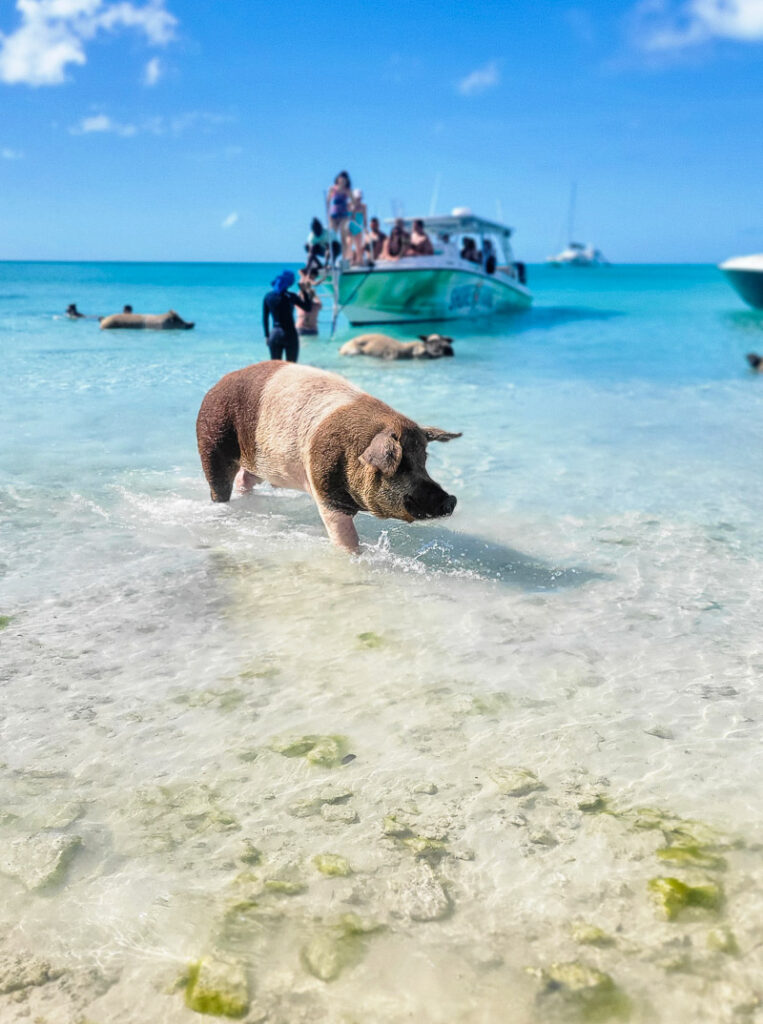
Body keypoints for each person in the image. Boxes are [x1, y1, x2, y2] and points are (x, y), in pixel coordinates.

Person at [262, 270, 312, 362]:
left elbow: (265, 318)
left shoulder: (268, 296)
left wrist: (266, 336)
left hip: (275, 335)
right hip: (290, 334)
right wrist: (304, 291)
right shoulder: (291, 296)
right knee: (291, 367)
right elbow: (308, 308)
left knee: (275, 369)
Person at [326, 171, 352, 261]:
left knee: (343, 237)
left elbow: (353, 202)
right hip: (333, 215)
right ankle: (329, 259)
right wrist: (328, 214)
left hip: (344, 215)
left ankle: (344, 259)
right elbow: (328, 201)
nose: (342, 180)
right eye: (340, 178)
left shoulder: (347, 190)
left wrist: (351, 210)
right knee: (332, 237)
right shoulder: (332, 188)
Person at [296, 268, 322, 335]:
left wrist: (303, 278)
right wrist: (313, 293)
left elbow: (298, 295)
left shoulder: (299, 306)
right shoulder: (317, 306)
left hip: (301, 329)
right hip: (313, 330)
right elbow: (317, 299)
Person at [347, 189, 367, 265]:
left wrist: (365, 228)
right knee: (348, 244)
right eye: (357, 198)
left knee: (359, 247)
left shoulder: (363, 207)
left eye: (359, 198)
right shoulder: (348, 205)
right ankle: (350, 261)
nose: (358, 200)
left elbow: (365, 218)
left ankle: (360, 261)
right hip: (349, 227)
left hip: (358, 228)